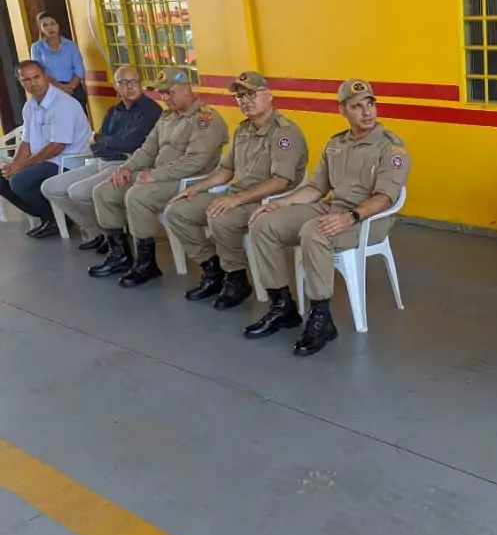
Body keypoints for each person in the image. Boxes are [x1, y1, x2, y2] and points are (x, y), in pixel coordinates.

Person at [246, 79, 410, 357]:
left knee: (314, 230)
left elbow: (384, 198)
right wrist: (280, 204)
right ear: (342, 110)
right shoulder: (336, 144)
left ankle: (321, 318)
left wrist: (352, 216)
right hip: (334, 208)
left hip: (370, 220)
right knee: (263, 224)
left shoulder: (391, 148)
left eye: (370, 104)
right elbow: (316, 189)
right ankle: (282, 305)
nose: (367, 112)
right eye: (357, 107)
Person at [163, 72, 308, 310]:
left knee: (220, 217)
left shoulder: (285, 132)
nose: (245, 101)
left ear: (269, 95)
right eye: (240, 96)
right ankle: (214, 269)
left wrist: (236, 199)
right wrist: (195, 189)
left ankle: (236, 277)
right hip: (237, 194)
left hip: (269, 200)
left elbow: (281, 181)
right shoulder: (243, 130)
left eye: (251, 94)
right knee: (177, 211)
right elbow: (227, 169)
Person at [89, 67, 227, 287]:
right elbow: (147, 149)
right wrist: (127, 167)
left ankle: (146, 263)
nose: (165, 98)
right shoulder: (167, 117)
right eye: (162, 93)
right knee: (104, 191)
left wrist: (154, 175)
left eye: (169, 92)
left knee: (137, 196)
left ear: (186, 89)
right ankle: (120, 255)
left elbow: (195, 162)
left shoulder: (205, 118)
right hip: (160, 176)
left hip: (189, 181)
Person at [41, 65, 161, 252]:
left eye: (135, 82)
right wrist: (105, 141)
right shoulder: (113, 111)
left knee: (79, 192)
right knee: (51, 187)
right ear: (115, 86)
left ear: (141, 84)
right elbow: (94, 144)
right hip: (100, 160)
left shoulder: (151, 111)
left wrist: (102, 139)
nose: (130, 86)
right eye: (124, 82)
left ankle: (114, 236)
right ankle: (98, 231)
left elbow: (128, 143)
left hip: (127, 163)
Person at [0, 60, 91, 238]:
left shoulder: (63, 104)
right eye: (26, 80)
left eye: (37, 77)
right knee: (3, 178)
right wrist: (15, 164)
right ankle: (49, 217)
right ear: (19, 81)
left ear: (46, 76)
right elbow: (26, 141)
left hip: (68, 161)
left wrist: (23, 166)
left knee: (20, 181)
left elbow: (57, 146)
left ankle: (60, 218)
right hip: (45, 161)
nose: (33, 83)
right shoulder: (30, 106)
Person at [30, 12, 90, 116]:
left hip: (74, 89)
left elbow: (79, 70)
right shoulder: (37, 48)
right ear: (41, 29)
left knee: (79, 122)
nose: (50, 28)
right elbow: (39, 72)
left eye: (52, 23)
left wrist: (71, 87)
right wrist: (61, 88)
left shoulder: (70, 45)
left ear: (58, 25)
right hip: (51, 91)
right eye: (45, 25)